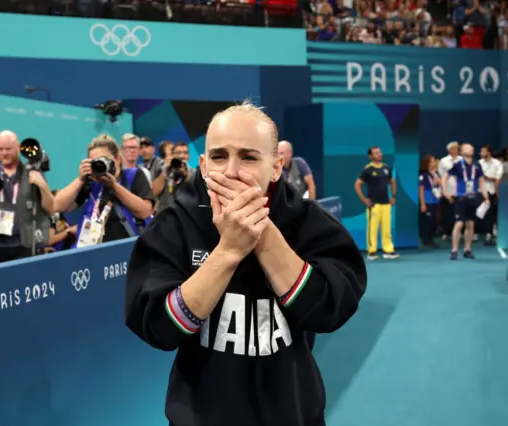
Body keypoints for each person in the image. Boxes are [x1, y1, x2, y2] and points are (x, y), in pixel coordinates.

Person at [124, 101, 367, 426]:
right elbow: (158, 328)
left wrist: (261, 231)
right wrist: (228, 251)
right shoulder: (175, 224)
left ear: (277, 166)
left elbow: (330, 310)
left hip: (292, 413)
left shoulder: (309, 223)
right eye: (219, 156)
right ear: (203, 163)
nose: (231, 171)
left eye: (249, 157)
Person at [54, 135, 154, 247]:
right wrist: (80, 179)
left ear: (117, 159)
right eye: (94, 162)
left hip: (128, 249)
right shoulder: (91, 182)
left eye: (103, 160)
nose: (99, 165)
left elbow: (145, 211)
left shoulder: (134, 175)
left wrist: (114, 186)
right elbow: (58, 206)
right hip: (95, 251)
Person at [0, 130, 55, 263]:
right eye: (0, 149)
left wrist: (43, 186)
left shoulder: (32, 172)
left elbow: (51, 208)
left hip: (26, 244)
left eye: (8, 149)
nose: (4, 153)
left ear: (17, 147)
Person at [441, 143, 489, 260]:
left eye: (472, 147)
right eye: (467, 148)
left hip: (473, 197)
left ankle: (467, 249)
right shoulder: (457, 165)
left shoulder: (477, 165)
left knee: (470, 224)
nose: (470, 149)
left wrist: (486, 197)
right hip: (461, 198)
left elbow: (481, 181)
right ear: (461, 152)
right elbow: (445, 177)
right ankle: (454, 250)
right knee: (459, 223)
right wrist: (445, 191)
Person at [354, 146, 400, 260]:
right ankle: (372, 251)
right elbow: (357, 184)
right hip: (374, 204)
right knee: (372, 229)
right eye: (376, 153)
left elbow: (392, 181)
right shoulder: (367, 169)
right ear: (370, 156)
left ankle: (388, 250)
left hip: (386, 203)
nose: (379, 154)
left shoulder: (386, 168)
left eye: (380, 152)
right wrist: (364, 199)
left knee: (386, 229)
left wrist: (393, 196)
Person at [419, 155, 441, 247]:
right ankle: (426, 239)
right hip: (427, 201)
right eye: (432, 161)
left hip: (436, 201)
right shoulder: (423, 175)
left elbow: (441, 183)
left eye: (434, 161)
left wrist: (436, 173)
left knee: (435, 221)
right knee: (428, 221)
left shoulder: (436, 174)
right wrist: (422, 203)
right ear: (427, 163)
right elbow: (421, 189)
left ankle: (430, 238)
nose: (434, 163)